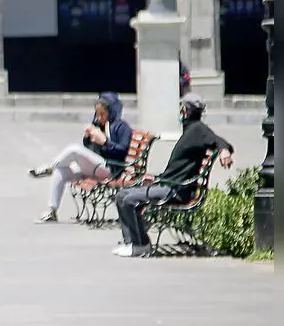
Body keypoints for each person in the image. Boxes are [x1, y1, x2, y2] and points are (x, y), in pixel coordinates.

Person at [112, 93, 234, 257]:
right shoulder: (191, 130)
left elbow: (218, 140)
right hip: (167, 184)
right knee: (121, 195)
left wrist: (224, 150)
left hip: (176, 191)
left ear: (185, 110)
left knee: (129, 200)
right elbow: (177, 169)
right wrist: (156, 179)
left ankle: (140, 245)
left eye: (181, 108)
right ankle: (131, 242)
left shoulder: (198, 130)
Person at [30, 92, 131, 223]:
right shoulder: (99, 126)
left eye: (102, 114)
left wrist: (105, 142)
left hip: (111, 168)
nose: (99, 117)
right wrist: (88, 137)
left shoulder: (121, 127)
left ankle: (49, 167)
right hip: (96, 166)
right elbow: (90, 149)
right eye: (97, 114)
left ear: (111, 112)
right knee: (61, 171)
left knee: (74, 149)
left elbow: (122, 150)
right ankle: (52, 210)